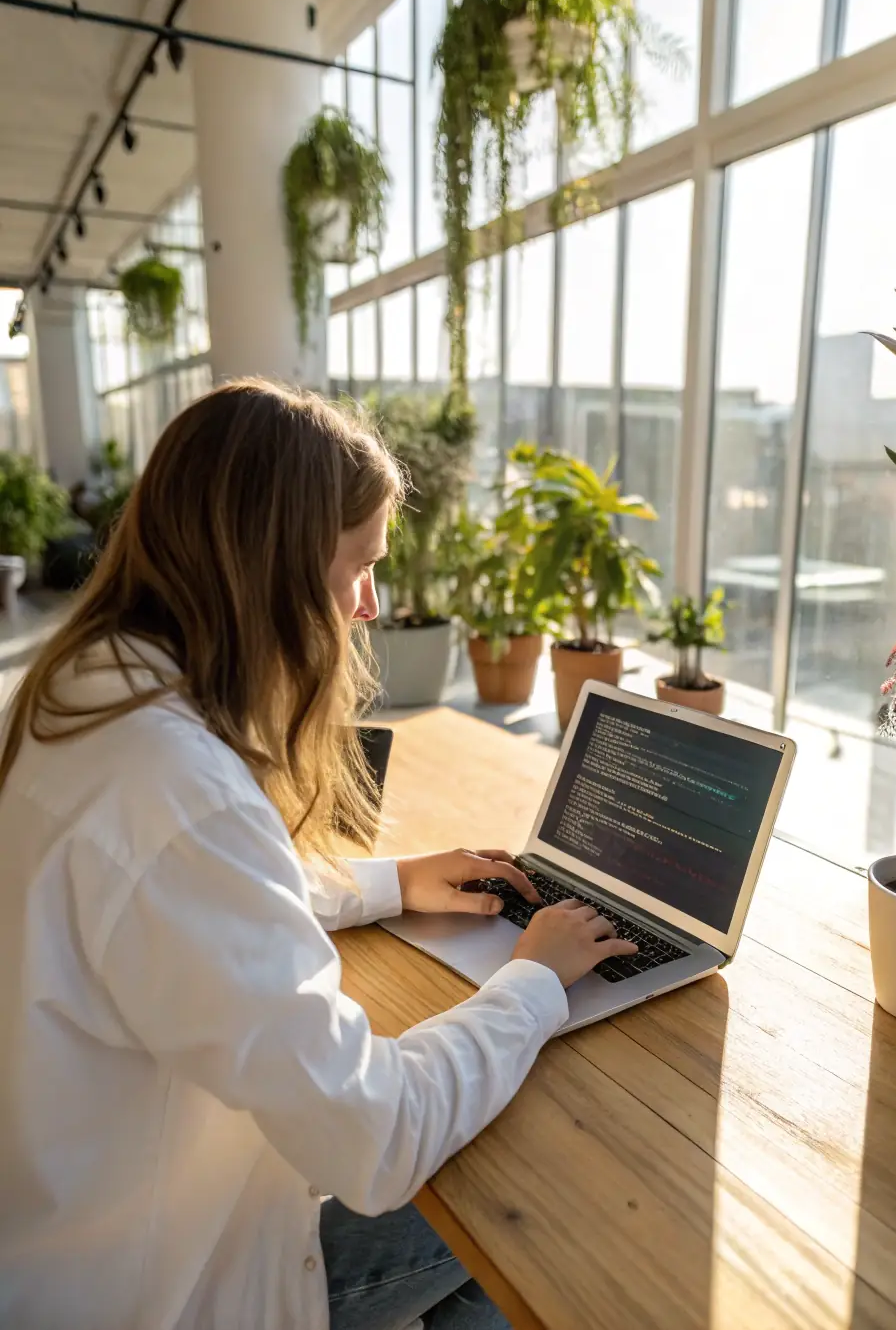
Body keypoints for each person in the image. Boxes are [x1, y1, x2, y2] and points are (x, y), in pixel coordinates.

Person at [0, 380, 637, 1330]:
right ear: (276, 567)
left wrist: (391, 882)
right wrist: (533, 980)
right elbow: (374, 1135)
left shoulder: (86, 695)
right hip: (167, 1285)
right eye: (360, 565)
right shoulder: (181, 794)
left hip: (61, 1230)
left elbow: (172, 905)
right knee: (533, 1197)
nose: (369, 605)